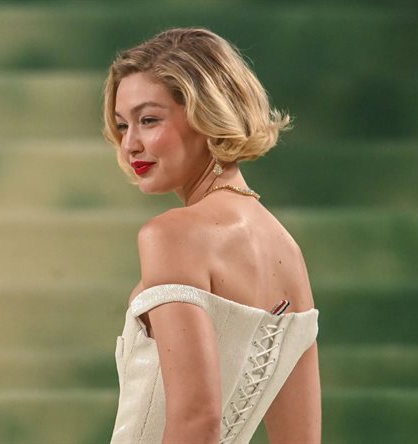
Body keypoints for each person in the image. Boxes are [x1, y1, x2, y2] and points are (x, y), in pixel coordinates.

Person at [103, 28, 320, 444]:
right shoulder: (287, 250)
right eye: (121, 125)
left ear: (207, 115)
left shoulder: (171, 235)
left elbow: (197, 421)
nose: (129, 144)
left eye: (149, 120)